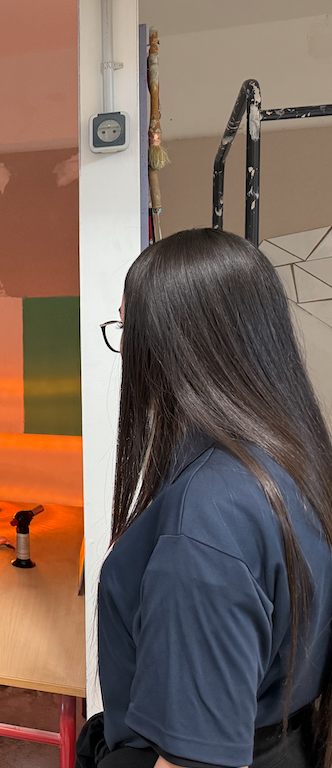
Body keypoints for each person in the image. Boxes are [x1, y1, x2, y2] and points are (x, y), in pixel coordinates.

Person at [84, 228, 332, 768]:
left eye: (129, 328)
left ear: (173, 343)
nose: (126, 351)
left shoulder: (207, 516)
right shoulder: (296, 459)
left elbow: (194, 757)